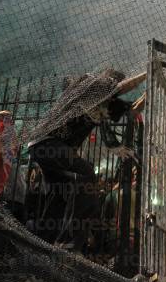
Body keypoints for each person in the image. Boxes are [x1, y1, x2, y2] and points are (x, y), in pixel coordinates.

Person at [27, 69, 145, 252]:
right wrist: (146, 74)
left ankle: (40, 244)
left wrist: (152, 90)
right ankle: (68, 243)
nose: (112, 92)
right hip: (47, 143)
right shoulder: (90, 87)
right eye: (112, 84)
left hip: (45, 150)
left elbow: (132, 110)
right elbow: (122, 87)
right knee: (86, 173)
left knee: (60, 194)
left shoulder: (102, 104)